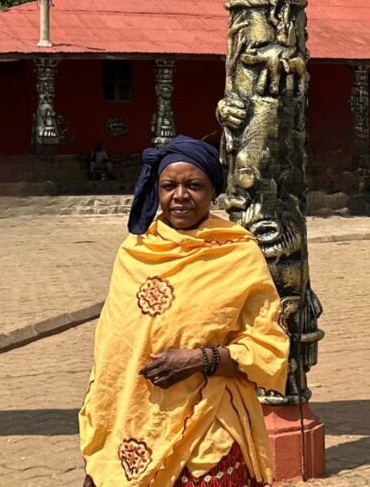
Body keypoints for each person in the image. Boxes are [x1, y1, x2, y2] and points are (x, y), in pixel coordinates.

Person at [79, 135, 289, 487]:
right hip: (133, 422)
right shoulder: (135, 252)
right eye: (168, 186)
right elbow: (111, 355)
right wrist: (100, 452)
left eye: (194, 186)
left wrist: (199, 359)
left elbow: (268, 345)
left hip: (209, 423)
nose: (180, 196)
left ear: (212, 192)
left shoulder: (237, 253)